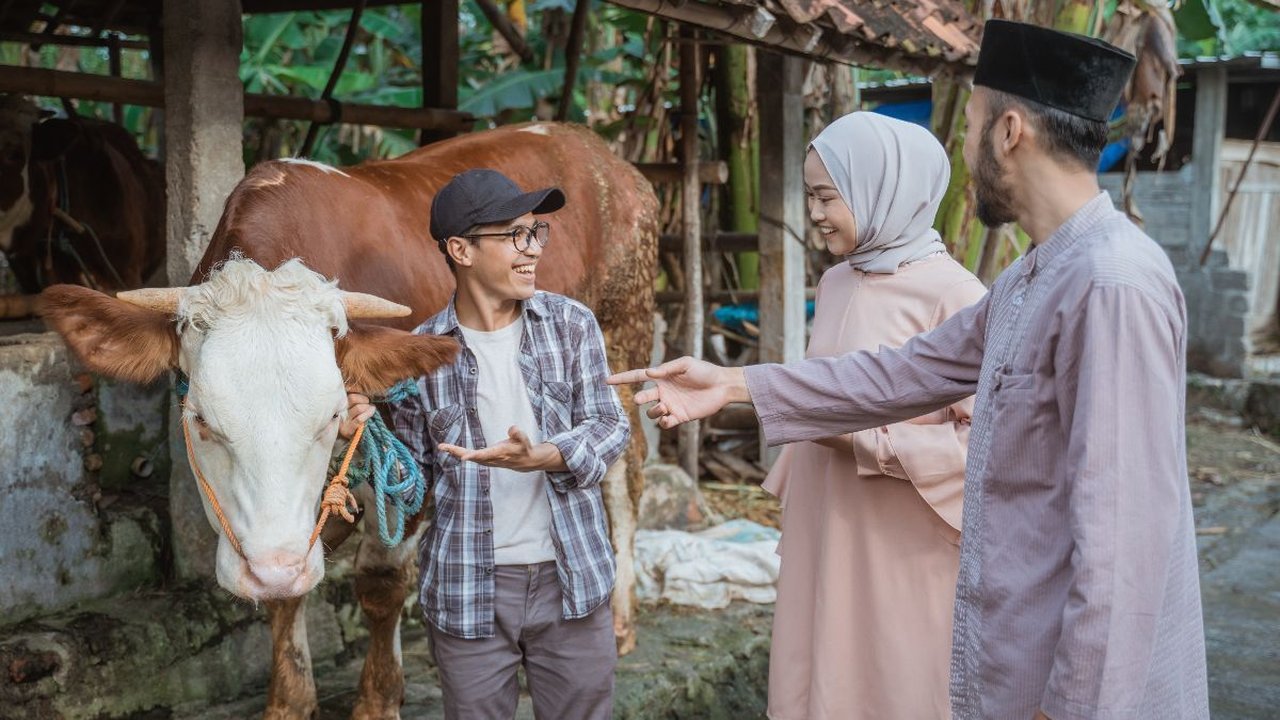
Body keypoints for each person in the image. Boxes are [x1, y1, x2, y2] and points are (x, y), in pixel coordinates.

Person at [610, 20, 1209, 720]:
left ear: (1009, 130)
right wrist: (736, 383)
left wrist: (1070, 708)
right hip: (1009, 663)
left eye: (972, 125)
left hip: (1068, 691)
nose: (961, 149)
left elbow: (1120, 544)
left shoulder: (1109, 283)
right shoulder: (1031, 278)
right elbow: (903, 373)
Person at [342, 168, 629, 720]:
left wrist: (547, 455)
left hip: (572, 577)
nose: (533, 251)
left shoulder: (571, 325)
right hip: (467, 585)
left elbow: (609, 425)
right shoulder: (421, 351)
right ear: (460, 249)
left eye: (535, 233)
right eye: (514, 236)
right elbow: (408, 491)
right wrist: (362, 433)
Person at [764, 111, 985, 720]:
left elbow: (988, 445)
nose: (814, 212)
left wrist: (871, 445)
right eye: (810, 196)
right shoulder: (836, 281)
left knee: (892, 681)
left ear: (882, 191)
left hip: (902, 543)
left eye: (827, 197)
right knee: (819, 673)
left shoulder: (958, 297)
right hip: (826, 520)